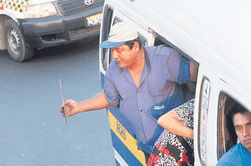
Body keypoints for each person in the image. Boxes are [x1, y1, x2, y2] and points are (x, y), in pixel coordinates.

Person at [60, 22, 198, 156]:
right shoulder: (113, 71)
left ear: (136, 46)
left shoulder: (163, 58)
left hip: (179, 148)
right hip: (148, 150)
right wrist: (79, 107)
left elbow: (193, 74)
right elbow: (109, 96)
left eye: (119, 50)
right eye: (112, 51)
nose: (114, 56)